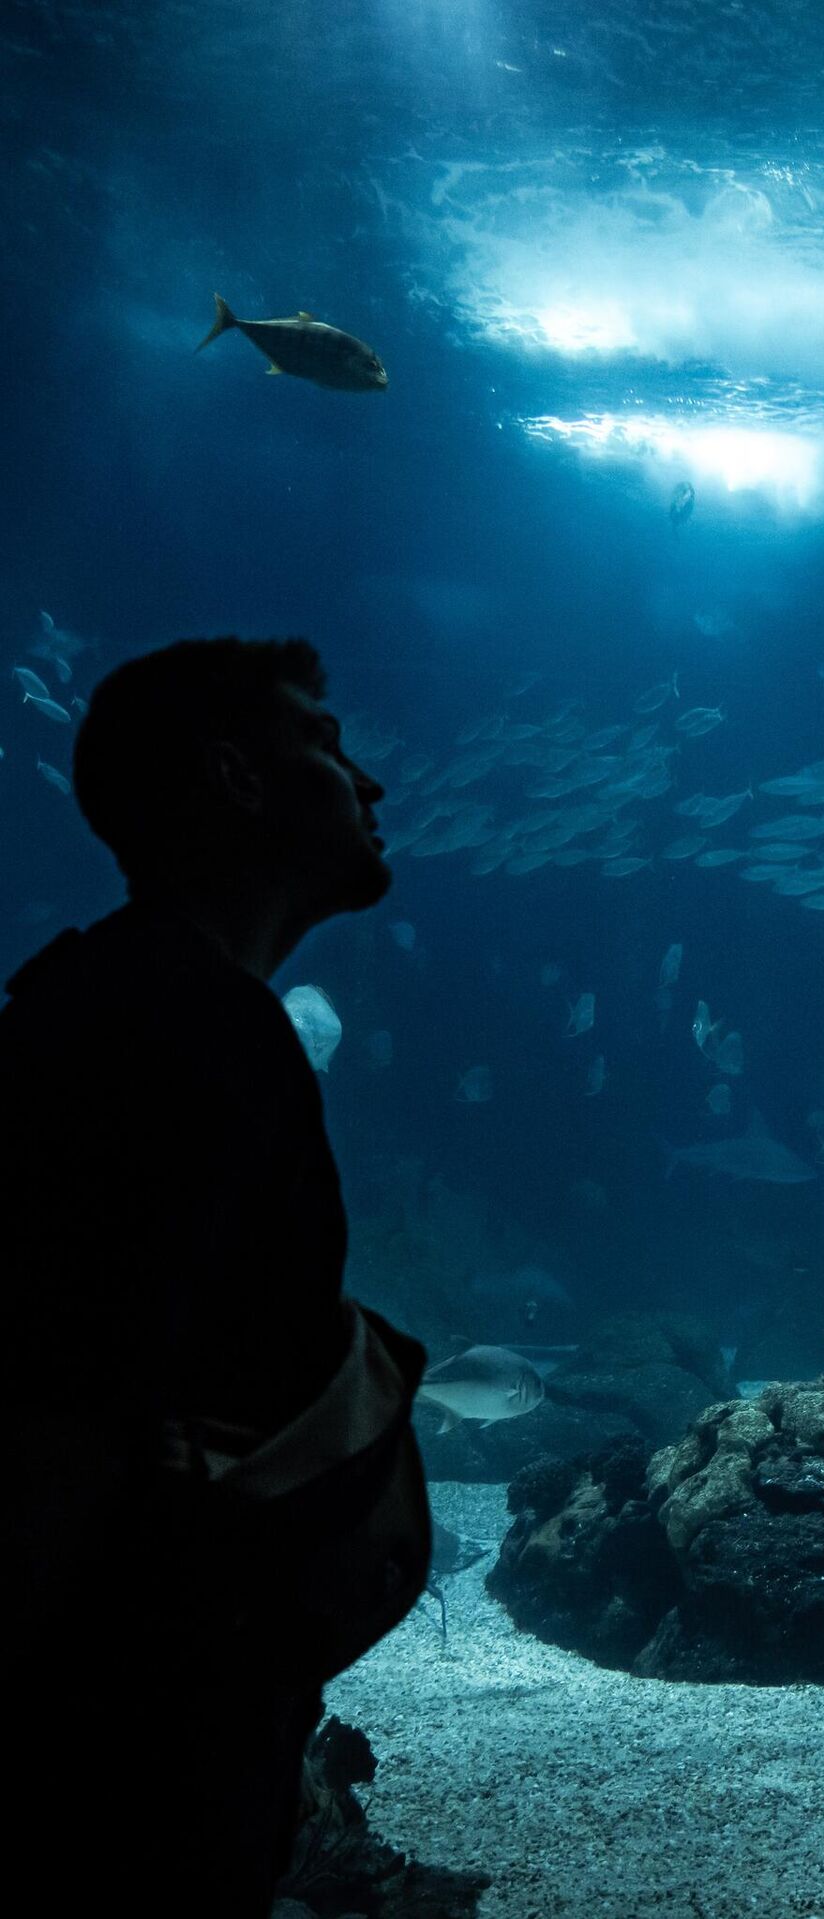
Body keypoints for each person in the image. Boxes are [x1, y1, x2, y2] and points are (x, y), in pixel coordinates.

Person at [2, 637, 432, 1915]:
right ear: (240, 779)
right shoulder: (178, 1030)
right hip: (123, 1739)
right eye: (325, 745)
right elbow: (65, 1413)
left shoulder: (127, 998)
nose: (368, 782)